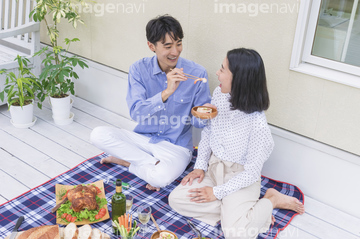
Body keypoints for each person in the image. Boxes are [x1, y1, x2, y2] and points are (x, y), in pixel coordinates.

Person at [168, 48, 305, 239]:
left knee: (236, 235)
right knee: (175, 199)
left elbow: (251, 173)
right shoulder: (219, 94)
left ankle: (270, 200)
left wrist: (217, 193)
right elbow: (208, 131)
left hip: (240, 178)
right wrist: (200, 167)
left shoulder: (257, 124)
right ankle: (242, 213)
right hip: (214, 168)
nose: (217, 73)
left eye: (223, 69)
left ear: (239, 80)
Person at [90, 15, 211, 191]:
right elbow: (136, 113)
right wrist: (166, 92)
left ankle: (127, 162)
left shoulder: (197, 73)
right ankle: (151, 165)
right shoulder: (138, 69)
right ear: (151, 46)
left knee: (161, 178)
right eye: (168, 46)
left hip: (176, 147)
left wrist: (206, 113)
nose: (175, 51)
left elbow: (199, 123)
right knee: (97, 135)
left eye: (178, 43)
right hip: (142, 139)